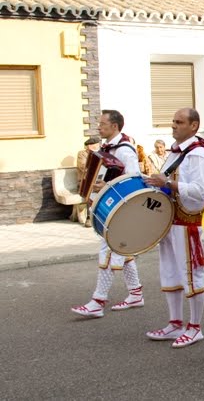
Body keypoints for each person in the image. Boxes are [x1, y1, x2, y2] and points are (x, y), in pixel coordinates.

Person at [145, 107, 204, 348]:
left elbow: (199, 191)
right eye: (173, 121)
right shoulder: (176, 152)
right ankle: (175, 324)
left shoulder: (197, 155)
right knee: (170, 272)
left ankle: (195, 327)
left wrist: (168, 183)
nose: (173, 125)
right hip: (169, 221)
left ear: (194, 126)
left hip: (186, 223)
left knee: (191, 273)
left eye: (179, 122)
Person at [71, 110, 144, 318]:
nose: (99, 127)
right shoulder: (106, 148)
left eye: (103, 124)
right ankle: (136, 293)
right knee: (123, 250)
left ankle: (98, 301)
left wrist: (108, 184)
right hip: (112, 207)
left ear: (115, 126)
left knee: (109, 250)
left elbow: (133, 179)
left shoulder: (125, 150)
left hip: (121, 209)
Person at [73, 137, 100, 227]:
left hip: (98, 180)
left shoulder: (100, 153)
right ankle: (89, 217)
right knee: (91, 192)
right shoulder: (82, 154)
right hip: (84, 182)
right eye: (93, 146)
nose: (98, 147)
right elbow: (84, 167)